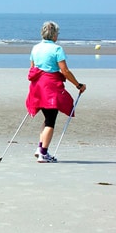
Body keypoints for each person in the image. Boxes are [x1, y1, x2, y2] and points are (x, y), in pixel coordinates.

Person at [26, 21, 86, 163]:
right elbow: (64, 71)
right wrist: (78, 85)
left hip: (37, 87)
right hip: (50, 88)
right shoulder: (57, 49)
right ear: (53, 34)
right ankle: (43, 154)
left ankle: (40, 148)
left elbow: (33, 69)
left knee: (47, 118)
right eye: (57, 33)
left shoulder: (35, 48)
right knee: (50, 121)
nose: (58, 36)